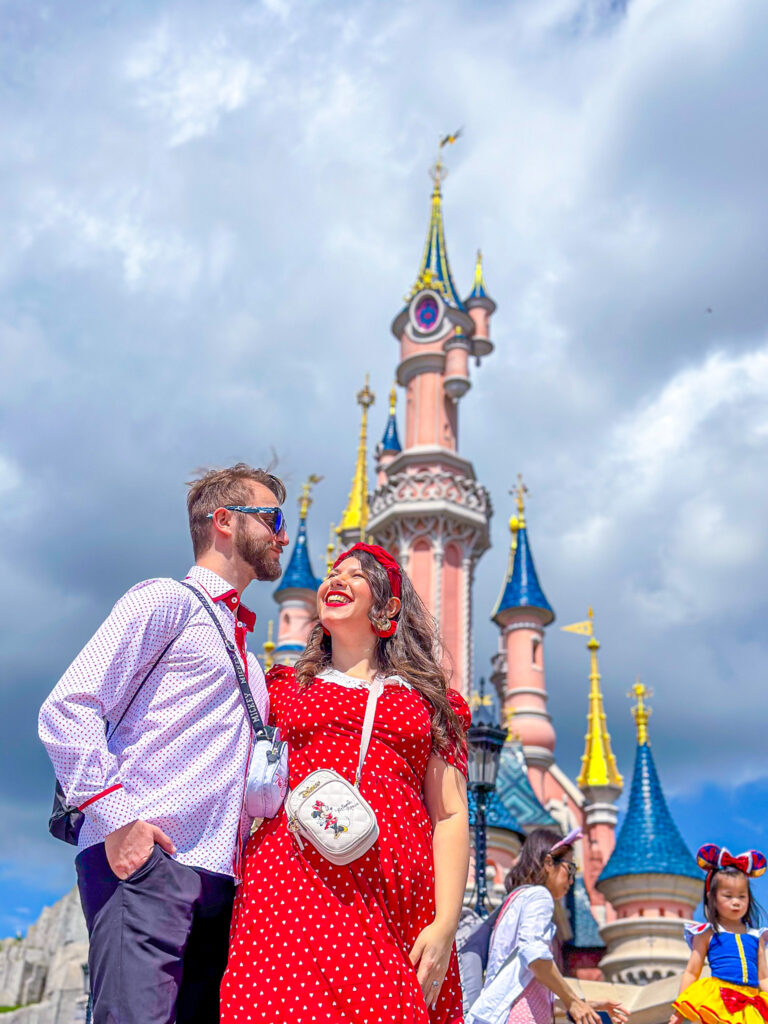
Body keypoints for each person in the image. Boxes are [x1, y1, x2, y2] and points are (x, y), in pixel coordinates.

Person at [38, 463, 289, 1024]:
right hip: (148, 865)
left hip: (222, 884)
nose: (284, 535)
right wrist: (118, 820)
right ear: (224, 521)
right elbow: (68, 707)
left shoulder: (249, 656)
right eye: (272, 518)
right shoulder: (164, 601)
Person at [221, 541, 471, 1024]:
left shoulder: (432, 704)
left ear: (388, 607)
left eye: (355, 575)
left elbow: (451, 813)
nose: (336, 579)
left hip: (396, 897)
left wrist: (445, 924)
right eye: (332, 572)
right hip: (292, 883)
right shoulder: (284, 687)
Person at [467, 828, 627, 1024]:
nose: (570, 880)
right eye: (570, 869)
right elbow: (534, 954)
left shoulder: (516, 901)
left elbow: (526, 980)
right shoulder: (539, 896)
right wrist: (573, 1001)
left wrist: (579, 1002)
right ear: (549, 862)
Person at [670, 843, 767, 1024]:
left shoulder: (756, 936)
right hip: (719, 1001)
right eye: (728, 896)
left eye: (742, 896)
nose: (736, 902)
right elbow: (691, 972)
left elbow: (764, 977)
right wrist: (679, 1010)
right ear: (711, 897)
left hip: (751, 1005)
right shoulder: (708, 933)